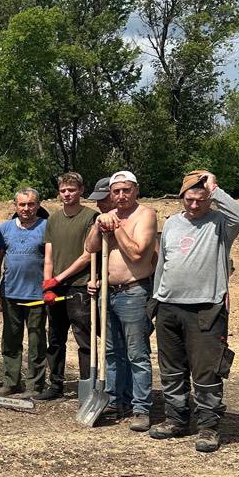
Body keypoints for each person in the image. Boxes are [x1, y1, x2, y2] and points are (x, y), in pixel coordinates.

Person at [149, 171, 239, 453]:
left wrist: (214, 189)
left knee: (207, 370)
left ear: (210, 200)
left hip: (207, 307)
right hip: (169, 306)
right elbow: (163, 264)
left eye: (201, 200)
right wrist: (156, 298)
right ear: (181, 197)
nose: (195, 205)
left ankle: (208, 426)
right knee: (172, 369)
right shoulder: (172, 223)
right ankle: (176, 420)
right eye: (190, 199)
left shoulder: (221, 224)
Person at [85, 170, 158, 433]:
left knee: (137, 354)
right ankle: (115, 401)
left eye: (126, 190)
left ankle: (141, 408)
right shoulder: (107, 216)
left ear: (136, 190)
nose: (121, 195)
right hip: (108, 293)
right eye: (116, 191)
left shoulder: (145, 215)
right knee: (111, 352)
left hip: (134, 292)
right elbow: (91, 248)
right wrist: (98, 226)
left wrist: (116, 228)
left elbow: (137, 254)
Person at [38, 172, 99, 400]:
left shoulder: (91, 217)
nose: (67, 194)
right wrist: (48, 285)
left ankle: (88, 387)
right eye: (63, 190)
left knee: (84, 340)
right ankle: (55, 385)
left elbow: (87, 255)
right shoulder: (53, 219)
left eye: (71, 190)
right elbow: (48, 256)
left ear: (81, 190)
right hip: (56, 287)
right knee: (55, 338)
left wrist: (59, 278)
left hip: (79, 287)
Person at [0, 189, 49, 396]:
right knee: (10, 340)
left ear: (38, 205)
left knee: (36, 341)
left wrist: (49, 287)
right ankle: (11, 382)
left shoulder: (46, 226)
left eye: (31, 204)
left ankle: (35, 385)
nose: (26, 208)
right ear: (15, 206)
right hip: (10, 292)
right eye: (22, 204)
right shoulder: (5, 228)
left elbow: (50, 259)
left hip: (36, 294)